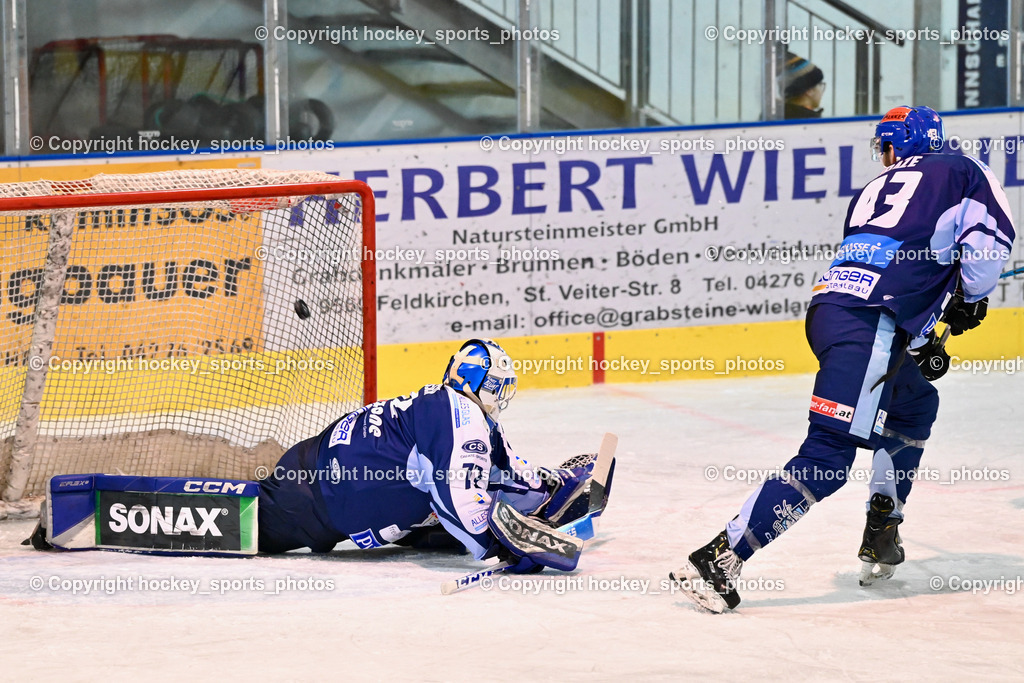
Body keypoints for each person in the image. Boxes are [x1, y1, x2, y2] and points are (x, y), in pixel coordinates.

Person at [671, 106, 1015, 612]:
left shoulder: (868, 195)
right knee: (828, 459)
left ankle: (883, 525)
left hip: (834, 311)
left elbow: (897, 270)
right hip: (868, 328)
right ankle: (720, 557)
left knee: (915, 406)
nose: (884, 156)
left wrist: (926, 340)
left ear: (898, 146)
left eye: (886, 146)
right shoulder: (961, 169)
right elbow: (990, 237)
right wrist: (973, 293)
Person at [257, 338, 595, 572]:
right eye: (499, 385)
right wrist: (499, 546)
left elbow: (504, 469)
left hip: (310, 472)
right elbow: (457, 498)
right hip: (301, 503)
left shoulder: (454, 409)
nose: (502, 396)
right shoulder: (462, 418)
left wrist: (555, 487)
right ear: (480, 382)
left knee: (447, 516)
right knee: (250, 525)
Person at [784, 53, 826, 119]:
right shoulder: (813, 124)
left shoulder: (776, 117)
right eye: (820, 84)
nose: (822, 91)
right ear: (809, 91)